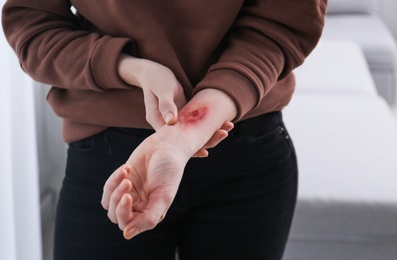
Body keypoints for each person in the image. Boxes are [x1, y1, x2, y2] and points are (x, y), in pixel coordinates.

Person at [2, 0, 327, 259]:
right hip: (109, 160)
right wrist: (127, 67)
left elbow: (285, 22)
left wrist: (185, 135)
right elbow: (32, 24)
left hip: (245, 152)